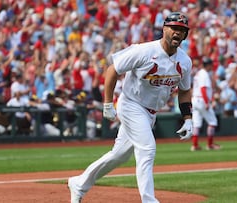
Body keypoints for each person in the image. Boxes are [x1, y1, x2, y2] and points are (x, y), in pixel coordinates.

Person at [67, 12, 193, 203]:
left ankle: (79, 183)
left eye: (182, 30)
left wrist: (188, 117)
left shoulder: (185, 61)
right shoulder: (143, 51)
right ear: (164, 29)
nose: (177, 33)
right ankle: (148, 200)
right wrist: (108, 103)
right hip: (131, 105)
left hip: (151, 112)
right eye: (174, 28)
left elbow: (184, 90)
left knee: (118, 156)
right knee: (147, 148)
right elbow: (112, 69)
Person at [190, 57, 220, 151]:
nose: (212, 66)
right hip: (202, 100)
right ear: (208, 65)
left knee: (197, 123)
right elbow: (203, 89)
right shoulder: (204, 74)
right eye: (211, 65)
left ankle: (195, 145)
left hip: (195, 99)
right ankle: (210, 144)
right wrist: (207, 102)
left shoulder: (198, 73)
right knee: (213, 121)